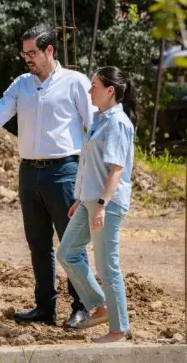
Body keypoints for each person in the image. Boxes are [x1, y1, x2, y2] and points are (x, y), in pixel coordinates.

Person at [0, 25, 93, 329]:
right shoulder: (22, 85)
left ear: (50, 50)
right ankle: (45, 308)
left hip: (65, 171)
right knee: (37, 244)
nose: (27, 58)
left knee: (72, 243)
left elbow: (95, 128)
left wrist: (95, 175)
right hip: (29, 173)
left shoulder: (75, 83)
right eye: (24, 53)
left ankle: (82, 306)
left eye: (32, 53)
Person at [57, 66, 136, 343]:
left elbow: (116, 170)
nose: (89, 91)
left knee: (107, 266)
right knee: (66, 253)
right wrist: (81, 198)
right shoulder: (99, 119)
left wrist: (101, 204)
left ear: (110, 90)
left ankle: (118, 330)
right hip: (90, 200)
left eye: (94, 86)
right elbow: (91, 165)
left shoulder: (117, 123)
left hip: (108, 203)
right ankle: (100, 306)